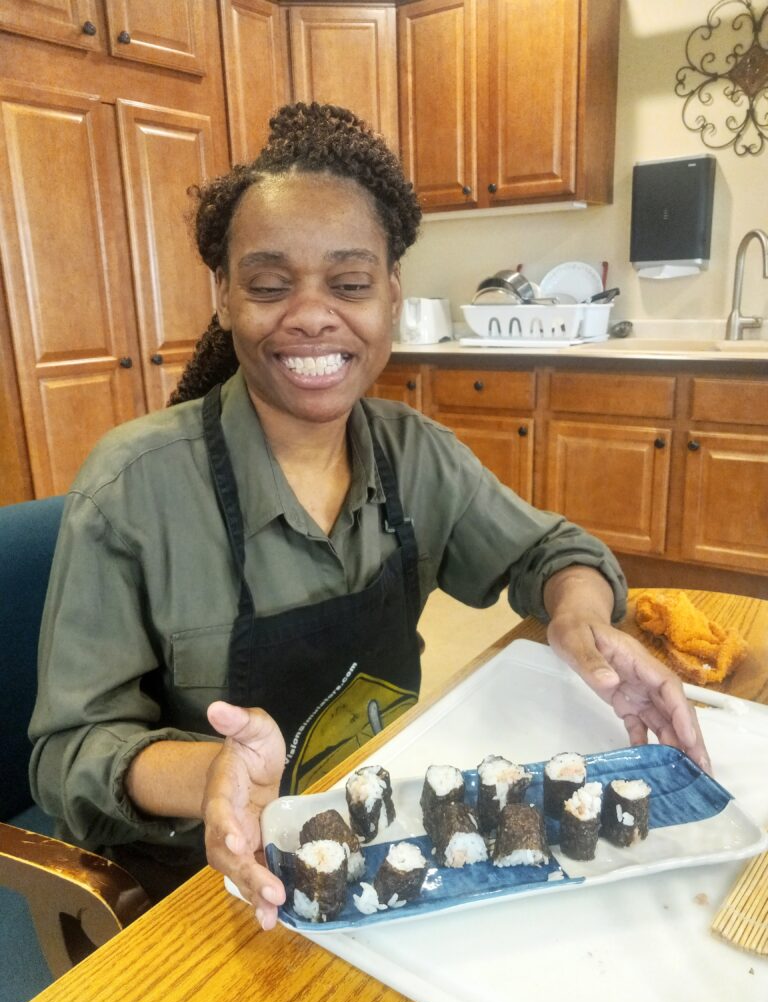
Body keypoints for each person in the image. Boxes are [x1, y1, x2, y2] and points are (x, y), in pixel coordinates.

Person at [29, 103, 709, 929]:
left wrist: (581, 618)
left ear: (391, 295)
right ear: (224, 297)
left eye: (349, 285)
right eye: (271, 285)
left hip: (375, 847)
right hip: (197, 886)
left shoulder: (414, 454)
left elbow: (552, 551)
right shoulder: (133, 489)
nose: (313, 315)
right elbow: (68, 754)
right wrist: (211, 774)